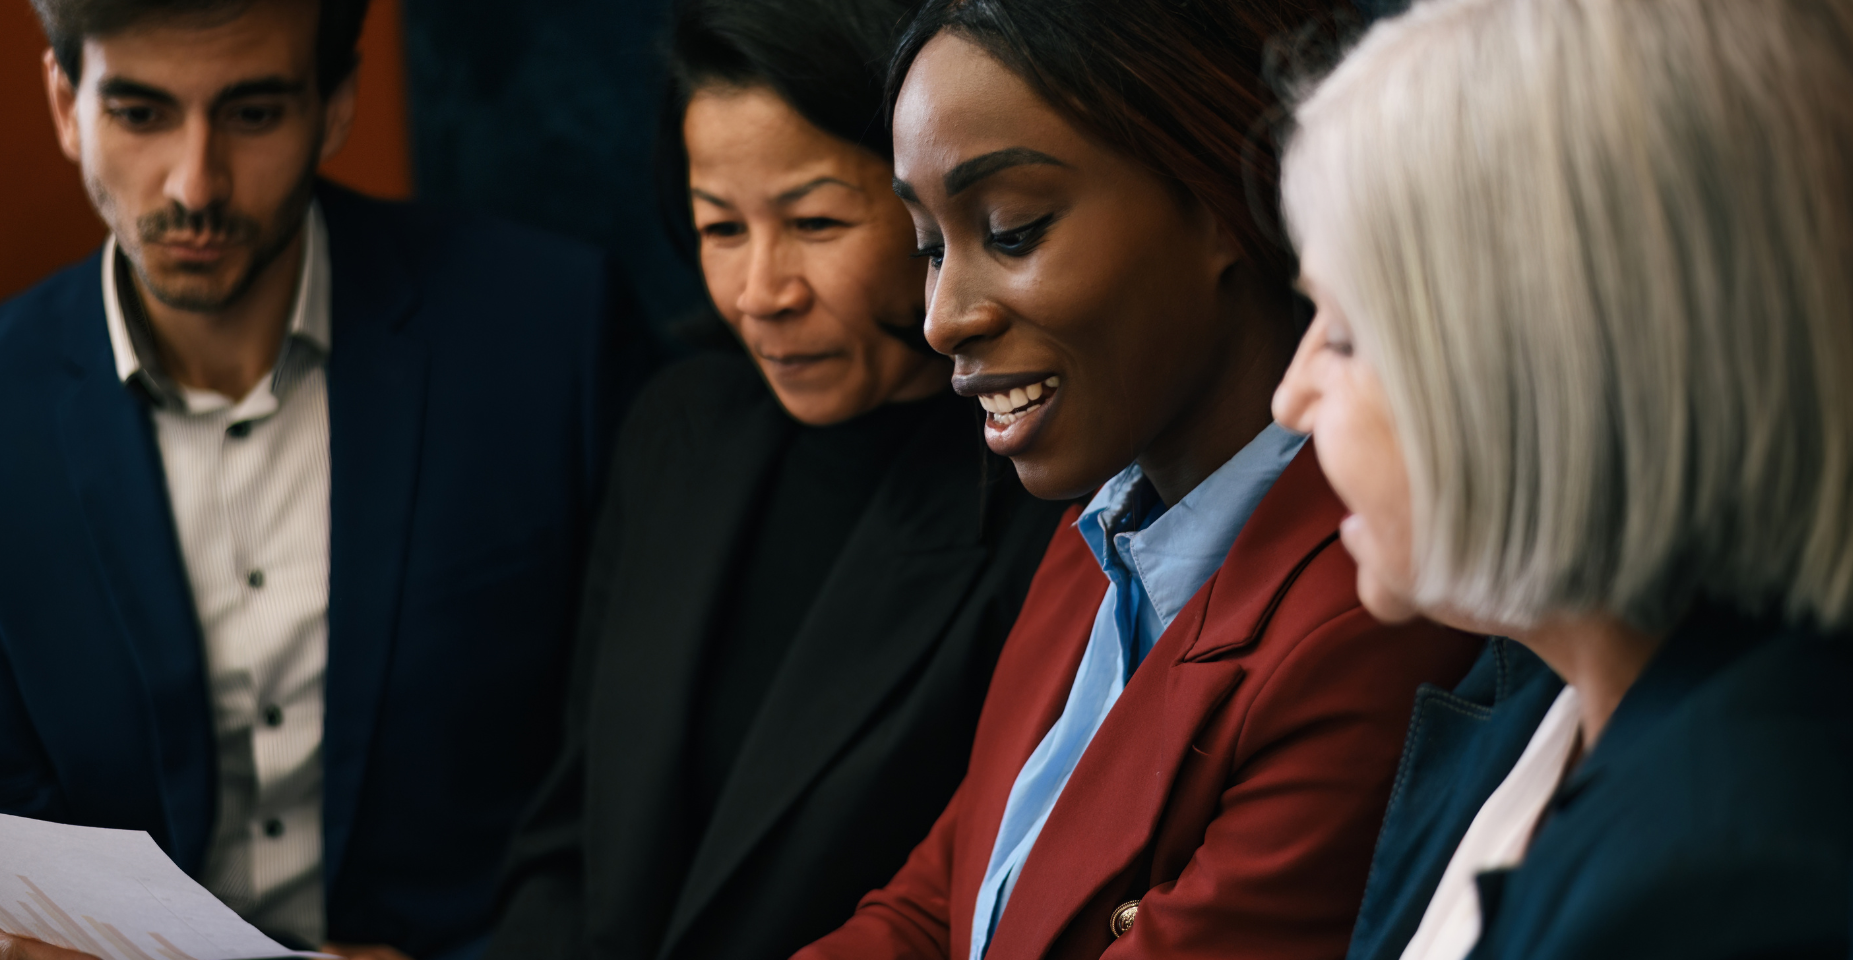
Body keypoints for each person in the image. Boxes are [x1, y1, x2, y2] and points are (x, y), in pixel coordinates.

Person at [0, 1, 639, 958]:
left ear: (336, 105)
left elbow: (631, 786)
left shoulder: (551, 335)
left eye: (253, 114)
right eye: (140, 115)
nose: (195, 184)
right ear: (66, 105)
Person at [795, 1, 1481, 959]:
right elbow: (938, 902)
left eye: (1012, 229)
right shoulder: (1098, 533)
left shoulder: (1369, 609)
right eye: (929, 248)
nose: (942, 318)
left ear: (1224, 200)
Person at [478, 2, 1072, 960]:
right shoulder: (678, 430)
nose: (762, 291)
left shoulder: (1046, 492)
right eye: (721, 227)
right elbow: (570, 847)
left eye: (814, 221)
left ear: (936, 209)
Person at [1271, 0, 1853, 957]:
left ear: (1547, 372)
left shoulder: (1733, 878)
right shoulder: (1543, 696)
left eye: (1342, 334)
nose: (1290, 398)